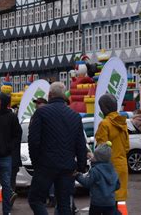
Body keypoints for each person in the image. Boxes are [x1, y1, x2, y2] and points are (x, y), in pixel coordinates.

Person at [28, 82, 87, 215]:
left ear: (49, 95)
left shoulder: (41, 112)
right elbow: (80, 144)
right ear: (64, 96)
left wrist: (36, 162)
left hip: (45, 165)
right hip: (67, 166)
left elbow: (33, 140)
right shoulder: (75, 116)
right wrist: (80, 167)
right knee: (64, 204)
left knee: (35, 199)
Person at [95, 93, 129, 206]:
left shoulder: (104, 124)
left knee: (109, 204)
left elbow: (102, 150)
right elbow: (127, 147)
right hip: (122, 165)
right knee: (121, 202)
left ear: (104, 108)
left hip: (109, 168)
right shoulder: (123, 123)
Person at [75, 142, 120, 215]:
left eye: (95, 156)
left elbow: (87, 183)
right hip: (110, 202)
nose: (92, 157)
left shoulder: (95, 170)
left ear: (98, 158)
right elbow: (118, 185)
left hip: (97, 202)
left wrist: (78, 176)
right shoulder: (113, 170)